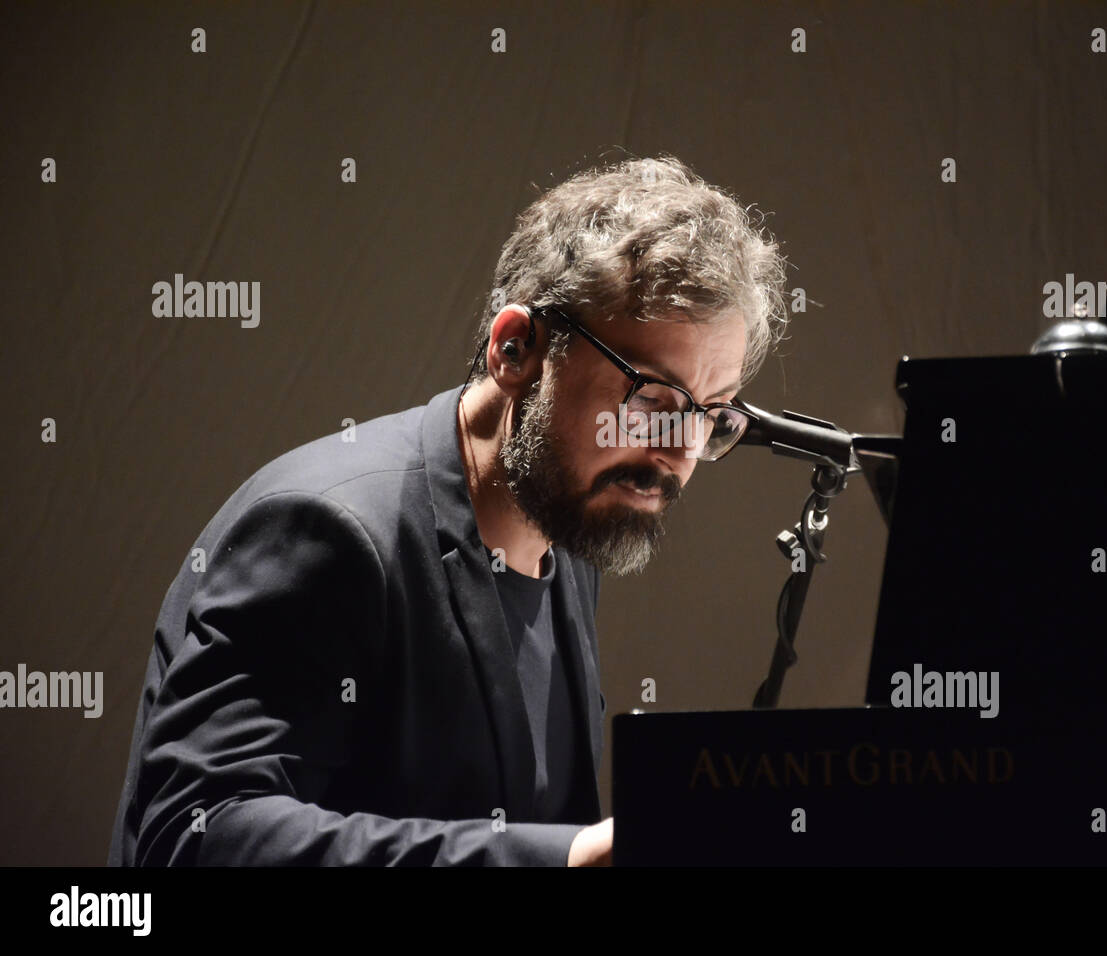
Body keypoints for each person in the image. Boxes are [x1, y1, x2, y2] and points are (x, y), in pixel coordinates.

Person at [107, 154, 788, 866]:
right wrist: (561, 860)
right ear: (516, 348)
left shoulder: (572, 523)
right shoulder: (329, 529)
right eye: (650, 398)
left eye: (711, 414)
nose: (679, 450)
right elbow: (195, 835)